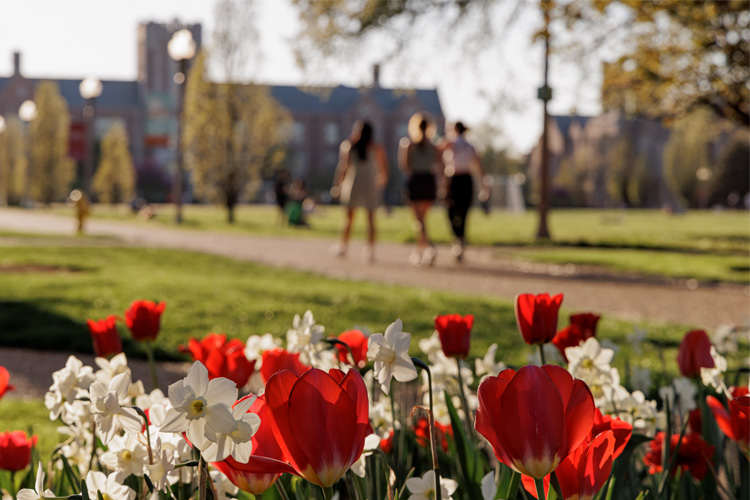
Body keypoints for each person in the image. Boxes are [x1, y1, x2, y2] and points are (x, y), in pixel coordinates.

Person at [332, 121, 389, 262]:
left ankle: (343, 246)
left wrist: (338, 185)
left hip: (354, 184)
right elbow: (384, 168)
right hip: (369, 185)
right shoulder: (376, 148)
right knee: (370, 219)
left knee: (349, 219)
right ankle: (370, 250)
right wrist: (382, 180)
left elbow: (343, 168)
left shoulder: (349, 146)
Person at [438, 121, 488, 262]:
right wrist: (483, 185)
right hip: (465, 180)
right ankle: (460, 239)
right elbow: (479, 167)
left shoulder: (452, 143)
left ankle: (458, 239)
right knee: (463, 213)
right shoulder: (470, 146)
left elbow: (437, 151)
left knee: (451, 211)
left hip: (455, 179)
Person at [399, 112, 443, 266]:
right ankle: (419, 252)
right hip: (429, 181)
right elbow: (440, 166)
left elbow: (405, 166)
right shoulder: (434, 146)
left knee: (419, 221)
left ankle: (429, 247)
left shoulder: (408, 144)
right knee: (422, 220)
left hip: (416, 181)